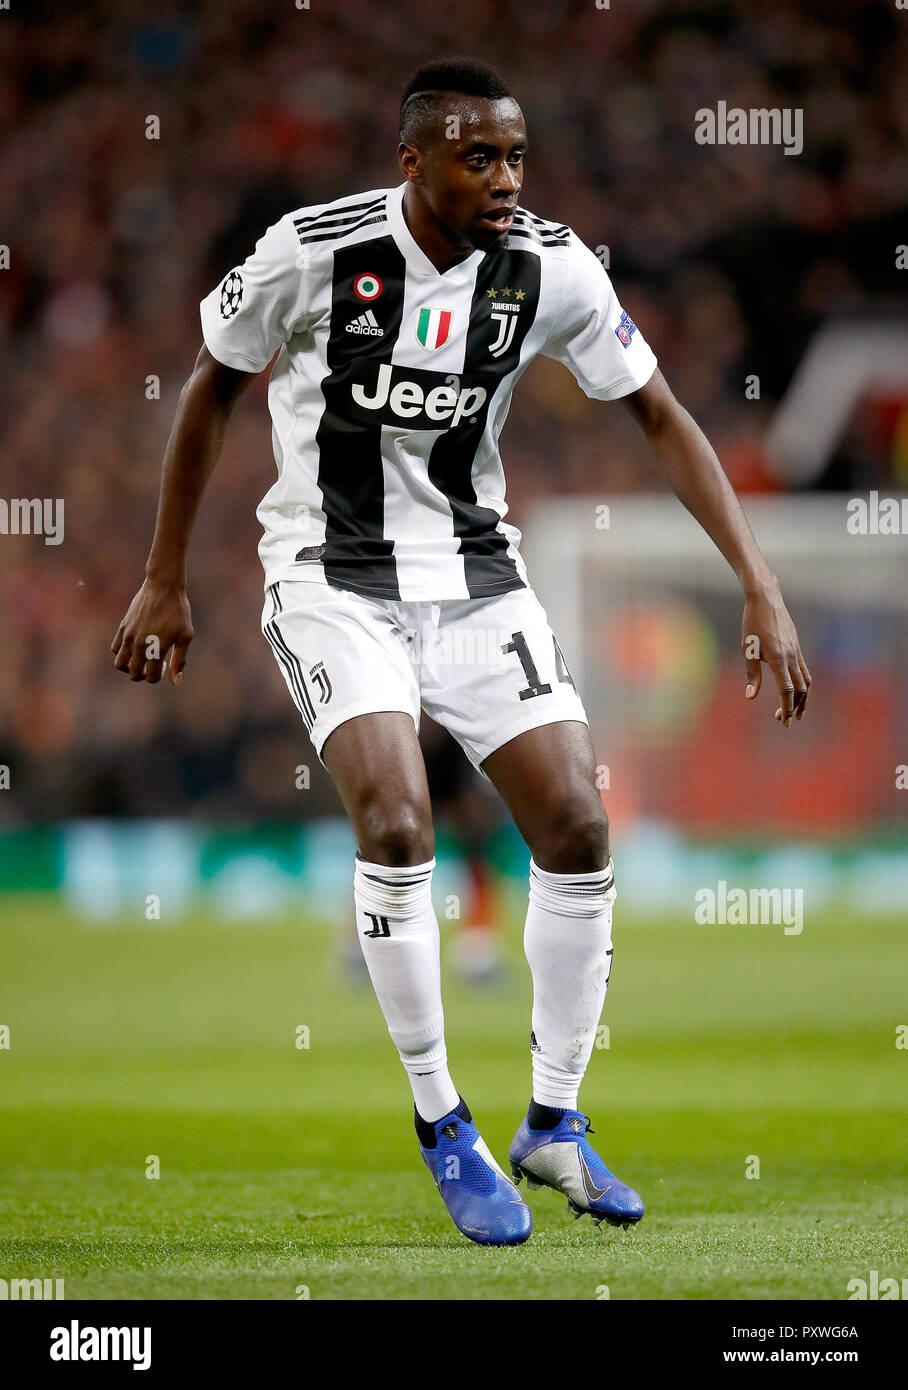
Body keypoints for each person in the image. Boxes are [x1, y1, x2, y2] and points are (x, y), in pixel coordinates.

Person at [111, 56, 811, 1247]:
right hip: (332, 577)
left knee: (579, 829)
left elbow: (659, 413)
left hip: (478, 577)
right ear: (412, 161)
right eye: (477, 156)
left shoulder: (548, 265)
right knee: (395, 824)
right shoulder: (312, 250)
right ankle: (445, 1123)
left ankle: (553, 1120)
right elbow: (209, 390)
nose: (503, 179)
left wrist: (759, 584)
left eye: (516, 156)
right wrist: (163, 575)